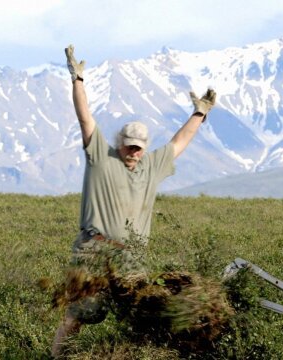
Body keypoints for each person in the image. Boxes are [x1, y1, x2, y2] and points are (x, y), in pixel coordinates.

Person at [51, 45, 217, 358]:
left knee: (144, 314)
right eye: (129, 146)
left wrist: (199, 113)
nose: (134, 152)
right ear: (120, 144)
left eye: (139, 147)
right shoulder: (100, 157)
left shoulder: (152, 167)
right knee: (77, 317)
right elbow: (85, 119)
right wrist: (77, 80)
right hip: (92, 253)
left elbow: (178, 143)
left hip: (131, 259)